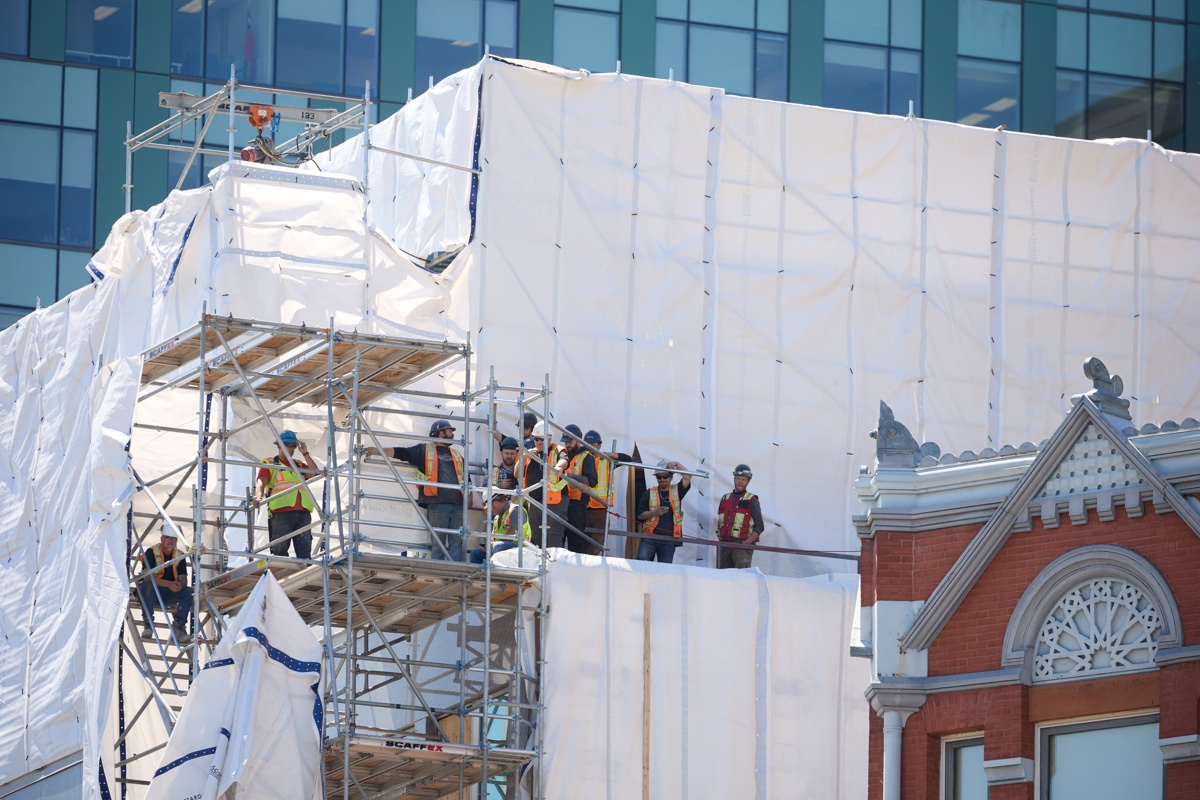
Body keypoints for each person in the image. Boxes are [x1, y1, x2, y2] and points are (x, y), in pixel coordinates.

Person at [365, 419, 466, 561]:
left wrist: (469, 497)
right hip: (437, 504)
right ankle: (438, 569)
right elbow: (401, 453)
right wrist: (376, 450)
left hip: (458, 504)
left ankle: (457, 570)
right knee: (438, 543)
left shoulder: (457, 454)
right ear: (441, 433)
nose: (453, 435)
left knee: (458, 542)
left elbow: (465, 477)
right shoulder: (424, 450)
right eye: (450, 432)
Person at [254, 430, 317, 560]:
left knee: (304, 550)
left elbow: (314, 473)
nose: (291, 449)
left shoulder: (298, 464)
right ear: (279, 446)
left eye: (293, 446)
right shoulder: (270, 463)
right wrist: (258, 497)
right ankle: (280, 571)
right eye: (287, 445)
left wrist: (305, 453)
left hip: (303, 511)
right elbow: (261, 483)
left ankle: (304, 570)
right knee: (280, 549)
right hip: (281, 511)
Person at [137, 530, 193, 643]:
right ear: (161, 539)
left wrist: (180, 585)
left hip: (169, 594)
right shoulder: (151, 551)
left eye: (173, 538)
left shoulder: (180, 555)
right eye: (167, 538)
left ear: (176, 541)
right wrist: (169, 584)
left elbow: (183, 578)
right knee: (148, 586)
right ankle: (148, 625)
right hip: (151, 594)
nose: (170, 541)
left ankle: (178, 628)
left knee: (188, 591)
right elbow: (147, 577)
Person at [582, 429, 632, 557]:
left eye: (593, 444)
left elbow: (628, 459)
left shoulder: (607, 461)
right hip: (583, 508)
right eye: (587, 444)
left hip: (600, 510)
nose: (590, 447)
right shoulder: (581, 459)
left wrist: (611, 455)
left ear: (599, 445)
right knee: (581, 545)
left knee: (595, 547)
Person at [520, 423, 569, 549]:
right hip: (534, 502)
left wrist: (559, 467)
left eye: (542, 439)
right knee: (536, 538)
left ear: (549, 437)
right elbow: (517, 473)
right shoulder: (531, 454)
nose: (539, 442)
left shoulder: (558, 450)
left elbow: (564, 460)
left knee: (553, 538)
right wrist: (524, 456)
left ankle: (553, 562)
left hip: (554, 502)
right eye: (536, 439)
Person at [636, 460, 692, 564]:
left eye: (665, 477)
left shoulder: (677, 490)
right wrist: (654, 512)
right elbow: (640, 515)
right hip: (649, 536)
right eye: (659, 477)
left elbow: (688, 477)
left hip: (669, 539)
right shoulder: (649, 492)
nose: (662, 479)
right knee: (642, 563)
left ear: (671, 477)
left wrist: (677, 464)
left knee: (665, 569)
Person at [716, 464, 764, 569]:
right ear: (734, 479)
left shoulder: (752, 500)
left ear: (748, 481)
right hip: (724, 545)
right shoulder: (725, 498)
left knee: (741, 577)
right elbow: (720, 522)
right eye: (738, 478)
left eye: (743, 479)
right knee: (721, 576)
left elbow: (760, 526)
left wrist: (745, 543)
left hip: (742, 547)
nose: (740, 481)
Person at [560, 424, 598, 553]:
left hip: (577, 503)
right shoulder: (563, 454)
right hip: (561, 501)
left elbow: (592, 480)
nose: (567, 445)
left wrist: (571, 477)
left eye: (570, 442)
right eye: (565, 442)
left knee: (575, 539)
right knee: (559, 537)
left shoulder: (586, 456)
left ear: (578, 440)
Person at [469, 493, 533, 564]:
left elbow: (513, 533)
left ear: (495, 503)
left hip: (518, 545)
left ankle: (494, 569)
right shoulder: (498, 517)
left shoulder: (516, 510)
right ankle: (482, 571)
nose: (491, 510)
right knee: (475, 553)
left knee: (497, 546)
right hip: (500, 546)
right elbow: (494, 536)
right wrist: (488, 545)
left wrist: (492, 545)